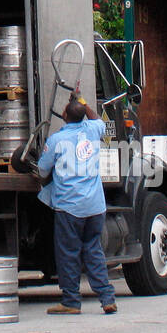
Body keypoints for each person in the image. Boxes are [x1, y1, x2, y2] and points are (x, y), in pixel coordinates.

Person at [35, 98, 117, 315]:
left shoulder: (57, 140)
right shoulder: (93, 131)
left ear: (64, 116)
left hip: (69, 207)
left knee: (69, 253)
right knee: (94, 250)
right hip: (95, 206)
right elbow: (97, 118)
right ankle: (107, 298)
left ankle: (71, 301)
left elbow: (43, 170)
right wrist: (83, 102)